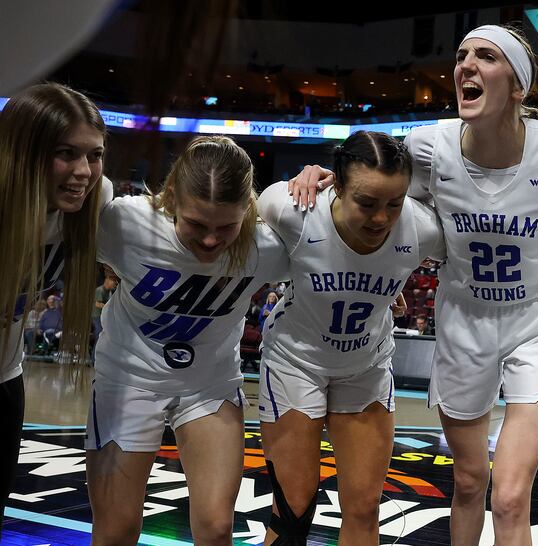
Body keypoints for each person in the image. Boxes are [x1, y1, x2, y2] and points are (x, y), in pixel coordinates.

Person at [287, 24, 538, 545]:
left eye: (486, 57)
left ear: (518, 85)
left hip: (537, 322)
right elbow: (391, 212)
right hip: (463, 318)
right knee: (470, 481)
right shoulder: (427, 147)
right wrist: (325, 176)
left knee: (512, 493)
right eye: (462, 55)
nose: (466, 65)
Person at [85, 136, 289, 546]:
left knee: (216, 529)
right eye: (196, 224)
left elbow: (335, 246)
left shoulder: (266, 246)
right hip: (127, 382)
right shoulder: (125, 223)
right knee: (116, 531)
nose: (211, 241)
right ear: (171, 198)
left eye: (226, 227)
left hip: (209, 386)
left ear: (247, 209)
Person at [256, 131, 445, 545]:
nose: (381, 218)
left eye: (393, 204)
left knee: (364, 508)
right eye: (367, 203)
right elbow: (234, 221)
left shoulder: (423, 227)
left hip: (366, 366)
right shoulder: (292, 209)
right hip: (295, 363)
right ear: (336, 185)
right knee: (293, 509)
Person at [0, 83, 110, 532]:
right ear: (23, 151)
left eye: (95, 155)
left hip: (6, 379)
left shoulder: (91, 204)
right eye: (66, 153)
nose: (84, 171)